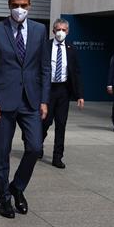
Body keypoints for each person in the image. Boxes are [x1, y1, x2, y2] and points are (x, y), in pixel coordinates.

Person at [0, 0, 51, 219]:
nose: (19, 9)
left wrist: (44, 99)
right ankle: (4, 199)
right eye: (15, 5)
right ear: (8, 5)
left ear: (30, 5)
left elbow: (44, 67)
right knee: (2, 152)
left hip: (31, 100)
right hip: (2, 101)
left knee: (35, 148)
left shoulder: (40, 30)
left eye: (23, 5)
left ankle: (17, 187)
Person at [41, 18, 84, 169]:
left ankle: (57, 156)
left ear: (68, 32)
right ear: (53, 31)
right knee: (45, 122)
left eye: (64, 30)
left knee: (61, 124)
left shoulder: (71, 49)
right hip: (47, 89)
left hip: (63, 91)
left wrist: (79, 95)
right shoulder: (45, 46)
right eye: (58, 29)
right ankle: (37, 144)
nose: (60, 32)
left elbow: (76, 73)